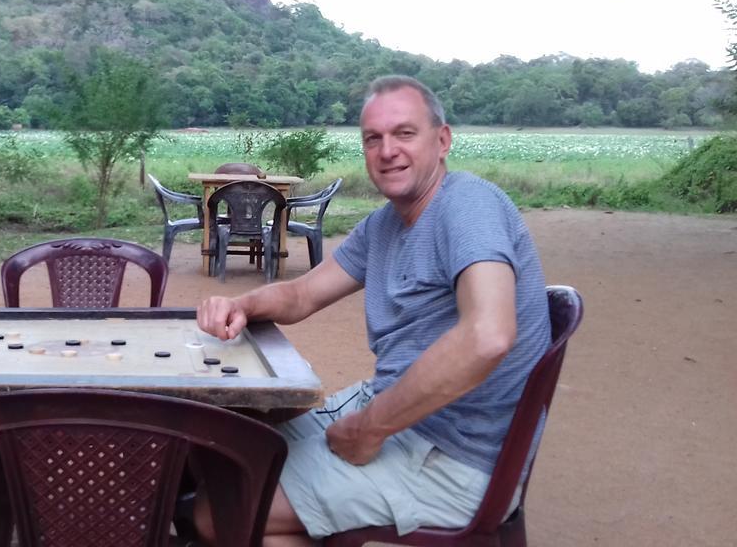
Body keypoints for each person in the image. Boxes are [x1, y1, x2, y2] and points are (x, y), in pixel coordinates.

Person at [194, 75, 550, 545]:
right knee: (226, 454)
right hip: (395, 416)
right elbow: (301, 296)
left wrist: (369, 428)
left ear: (442, 141)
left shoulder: (467, 205)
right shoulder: (386, 223)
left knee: (216, 511)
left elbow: (488, 335)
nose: (387, 151)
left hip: (452, 456)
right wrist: (241, 303)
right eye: (373, 138)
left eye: (404, 133)